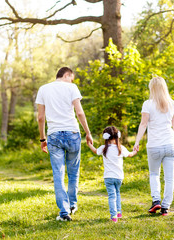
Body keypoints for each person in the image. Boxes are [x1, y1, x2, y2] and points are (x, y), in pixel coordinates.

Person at [35, 67, 93, 221]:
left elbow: (40, 117)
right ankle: (73, 204)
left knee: (58, 174)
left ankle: (64, 212)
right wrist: (88, 132)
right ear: (67, 75)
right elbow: (79, 113)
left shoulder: (43, 89)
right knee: (73, 172)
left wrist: (42, 139)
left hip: (54, 135)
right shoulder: (72, 88)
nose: (72, 81)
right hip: (73, 133)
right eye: (71, 78)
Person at [133, 76, 174, 216]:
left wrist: (137, 142)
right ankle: (165, 207)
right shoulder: (172, 104)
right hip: (170, 144)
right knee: (169, 178)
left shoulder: (147, 104)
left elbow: (143, 124)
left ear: (151, 88)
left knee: (154, 174)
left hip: (154, 146)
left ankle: (156, 201)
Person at [87, 126, 137, 222]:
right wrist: (135, 151)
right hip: (119, 177)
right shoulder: (121, 148)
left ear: (105, 137)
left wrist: (89, 144)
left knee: (111, 196)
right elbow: (130, 154)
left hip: (108, 177)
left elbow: (95, 151)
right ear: (117, 136)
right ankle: (118, 212)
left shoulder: (103, 148)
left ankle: (113, 216)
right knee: (117, 193)